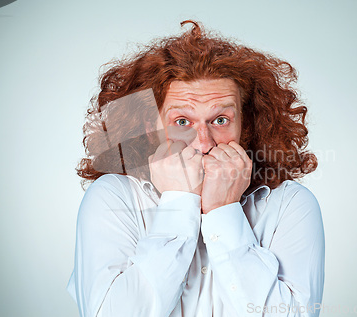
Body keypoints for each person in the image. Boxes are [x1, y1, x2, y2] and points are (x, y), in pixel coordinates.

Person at [66, 20, 325, 317]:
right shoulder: (113, 199)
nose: (203, 143)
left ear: (246, 124)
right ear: (152, 128)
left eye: (220, 120)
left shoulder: (291, 205)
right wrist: (178, 202)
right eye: (182, 122)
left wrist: (223, 212)